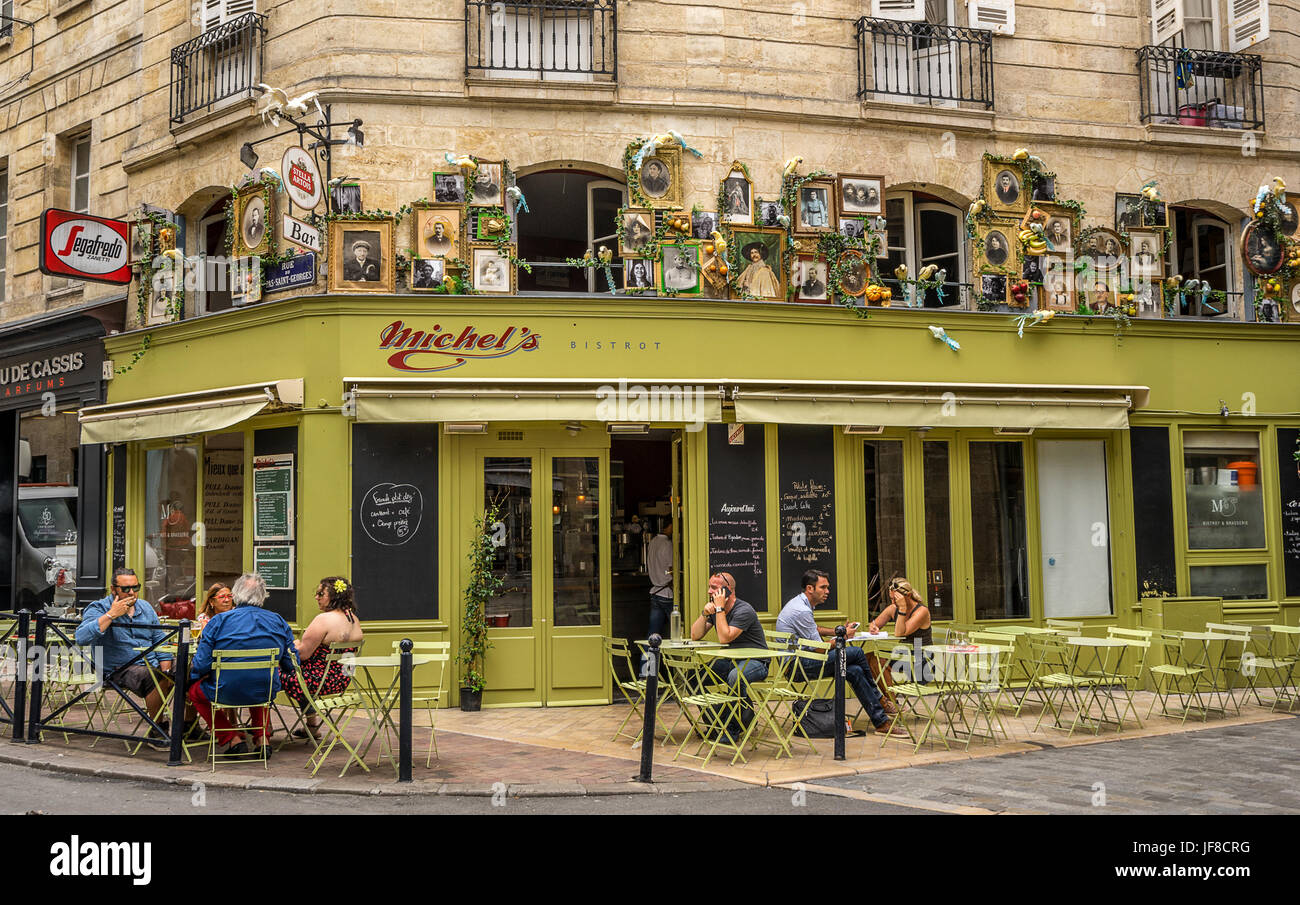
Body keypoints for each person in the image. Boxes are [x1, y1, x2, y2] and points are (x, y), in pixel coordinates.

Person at [774, 570, 905, 736]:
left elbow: (813, 629)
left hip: (801, 660)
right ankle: (881, 699)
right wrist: (842, 638)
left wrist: (837, 632)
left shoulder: (800, 604)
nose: (828, 591)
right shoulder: (801, 610)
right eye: (823, 587)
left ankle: (881, 722)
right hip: (798, 666)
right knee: (857, 652)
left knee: (855, 671)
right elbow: (820, 648)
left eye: (828, 587)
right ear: (810, 588)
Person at [188, 573, 297, 758]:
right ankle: (263, 740)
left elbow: (200, 664)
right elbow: (291, 663)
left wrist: (200, 675)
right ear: (263, 596)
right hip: (264, 689)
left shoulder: (218, 622)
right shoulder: (278, 621)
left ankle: (232, 740)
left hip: (225, 690)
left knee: (195, 692)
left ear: (236, 595)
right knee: (260, 682)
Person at [76, 568, 183, 745]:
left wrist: (167, 666)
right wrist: (111, 615)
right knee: (155, 676)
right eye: (126, 589)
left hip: (151, 664)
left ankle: (188, 726)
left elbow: (160, 640)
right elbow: (81, 637)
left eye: (136, 587)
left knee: (191, 668)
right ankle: (157, 729)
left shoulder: (145, 608)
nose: (132, 592)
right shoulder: (98, 608)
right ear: (113, 589)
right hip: (118, 669)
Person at [279, 576, 364, 739]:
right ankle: (311, 727)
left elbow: (302, 656)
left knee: (274, 675)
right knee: (298, 678)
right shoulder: (353, 619)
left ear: (333, 596)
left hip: (317, 681)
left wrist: (294, 645)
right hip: (343, 680)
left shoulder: (323, 620)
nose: (316, 597)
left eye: (320, 594)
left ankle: (261, 729)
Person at [690, 572, 767, 739]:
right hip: (731, 660)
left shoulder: (744, 610)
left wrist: (719, 609)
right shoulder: (716, 609)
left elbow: (724, 637)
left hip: (756, 661)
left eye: (714, 588)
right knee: (692, 678)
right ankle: (716, 724)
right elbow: (695, 635)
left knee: (735, 677)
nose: (710, 591)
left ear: (728, 590)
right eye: (709, 587)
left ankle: (731, 730)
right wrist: (705, 613)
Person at [867, 577, 933, 689]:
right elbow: (874, 624)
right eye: (891, 599)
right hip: (904, 654)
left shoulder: (921, 611)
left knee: (879, 660)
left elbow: (899, 633)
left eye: (896, 599)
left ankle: (890, 701)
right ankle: (889, 701)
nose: (893, 602)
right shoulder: (893, 608)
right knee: (869, 658)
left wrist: (902, 607)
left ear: (907, 596)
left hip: (920, 659)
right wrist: (873, 627)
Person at [645, 521, 674, 641]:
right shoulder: (667, 544)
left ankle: (646, 659)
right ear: (670, 526)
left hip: (655, 592)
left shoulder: (653, 541)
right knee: (678, 630)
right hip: (666, 592)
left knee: (653, 633)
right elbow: (672, 568)